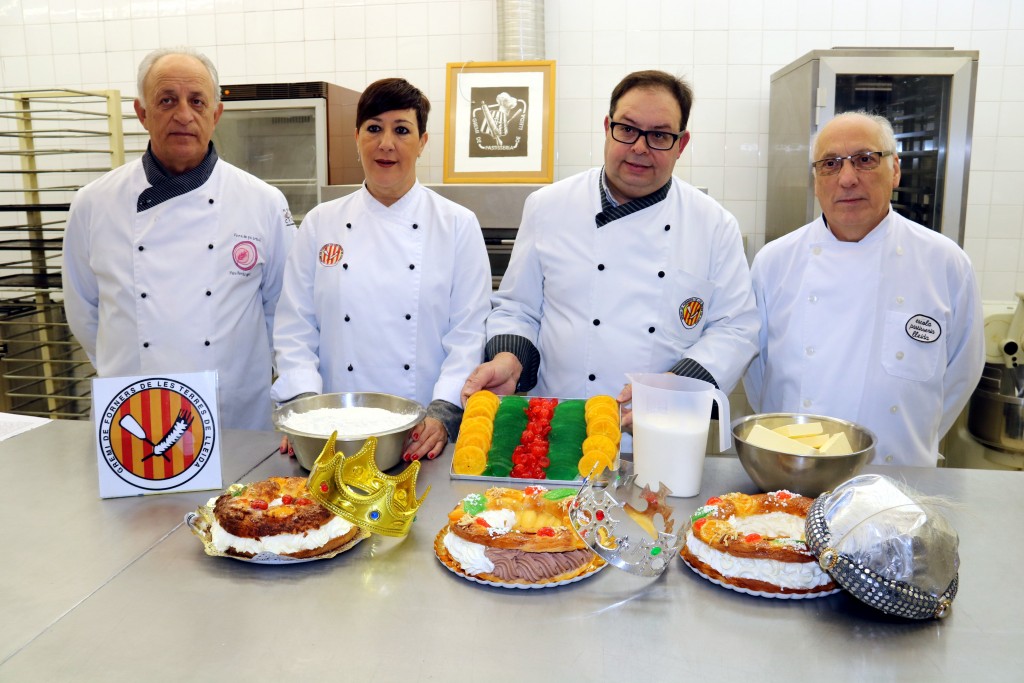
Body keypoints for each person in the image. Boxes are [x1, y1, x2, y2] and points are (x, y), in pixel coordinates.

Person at [460, 70, 760, 430]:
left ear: (681, 144)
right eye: (628, 129)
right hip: (555, 426)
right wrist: (510, 357)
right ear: (607, 127)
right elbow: (517, 309)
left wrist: (673, 390)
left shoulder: (713, 225)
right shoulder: (548, 206)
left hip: (657, 432)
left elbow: (736, 330)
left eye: (660, 135)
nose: (639, 147)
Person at [62, 47, 295, 431]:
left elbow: (282, 314)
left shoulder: (263, 202)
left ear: (215, 115)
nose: (183, 115)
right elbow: (84, 312)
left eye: (197, 101)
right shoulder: (93, 203)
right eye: (167, 100)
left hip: (231, 414)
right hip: (132, 416)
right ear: (142, 113)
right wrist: (127, 366)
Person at [743, 111, 985, 467]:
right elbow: (756, 375)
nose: (847, 178)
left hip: (899, 477)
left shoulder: (945, 263)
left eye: (865, 160)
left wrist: (908, 438)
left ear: (896, 170)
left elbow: (961, 375)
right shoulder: (774, 262)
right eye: (830, 164)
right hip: (795, 479)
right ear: (815, 178)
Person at [271, 78, 491, 462]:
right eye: (374, 128)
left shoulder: (457, 224)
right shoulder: (322, 223)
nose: (386, 143)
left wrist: (442, 415)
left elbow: (468, 333)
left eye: (402, 130)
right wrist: (304, 411)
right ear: (357, 137)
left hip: (421, 439)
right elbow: (295, 328)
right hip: (331, 435)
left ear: (423, 142)